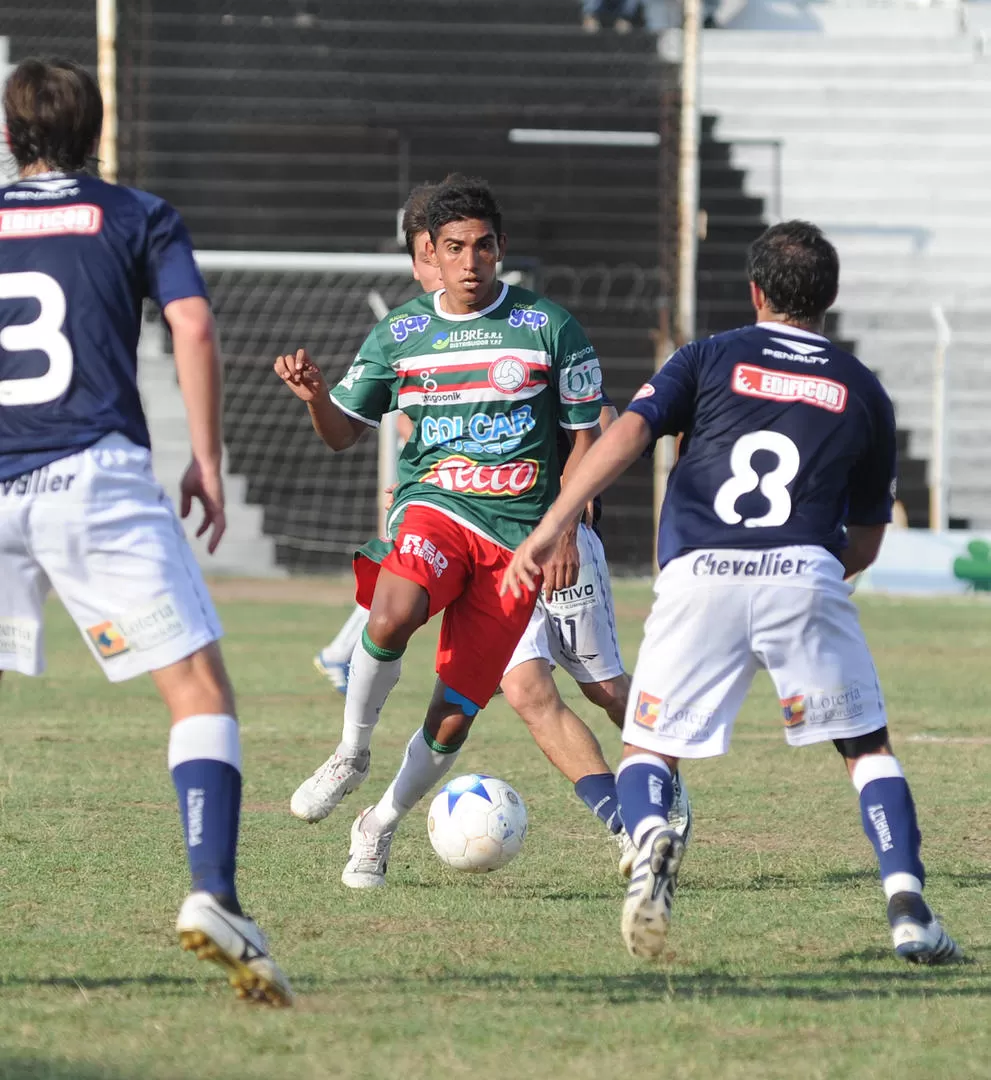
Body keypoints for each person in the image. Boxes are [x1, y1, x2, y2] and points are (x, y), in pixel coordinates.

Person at [503, 220, 962, 965]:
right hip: (803, 574)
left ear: (753, 291)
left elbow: (625, 433)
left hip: (698, 576)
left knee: (649, 745)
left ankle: (650, 837)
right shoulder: (860, 388)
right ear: (830, 300)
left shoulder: (709, 357)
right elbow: (870, 540)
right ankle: (906, 903)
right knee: (865, 748)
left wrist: (555, 522)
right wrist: (802, 580)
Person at [0, 58, 292, 1004]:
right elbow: (193, 328)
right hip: (94, 473)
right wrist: (204, 458)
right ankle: (213, 891)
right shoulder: (136, 214)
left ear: (9, 137)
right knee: (197, 687)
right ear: (98, 132)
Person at [307, 182, 692, 878]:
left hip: (540, 541)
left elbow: (590, 430)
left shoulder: (547, 326)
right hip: (442, 517)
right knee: (501, 677)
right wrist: (312, 396)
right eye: (451, 248)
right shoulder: (401, 333)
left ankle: (657, 781)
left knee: (598, 689)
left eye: (482, 246)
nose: (466, 261)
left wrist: (566, 528)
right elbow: (345, 430)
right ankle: (353, 755)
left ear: (500, 249)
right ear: (428, 252)